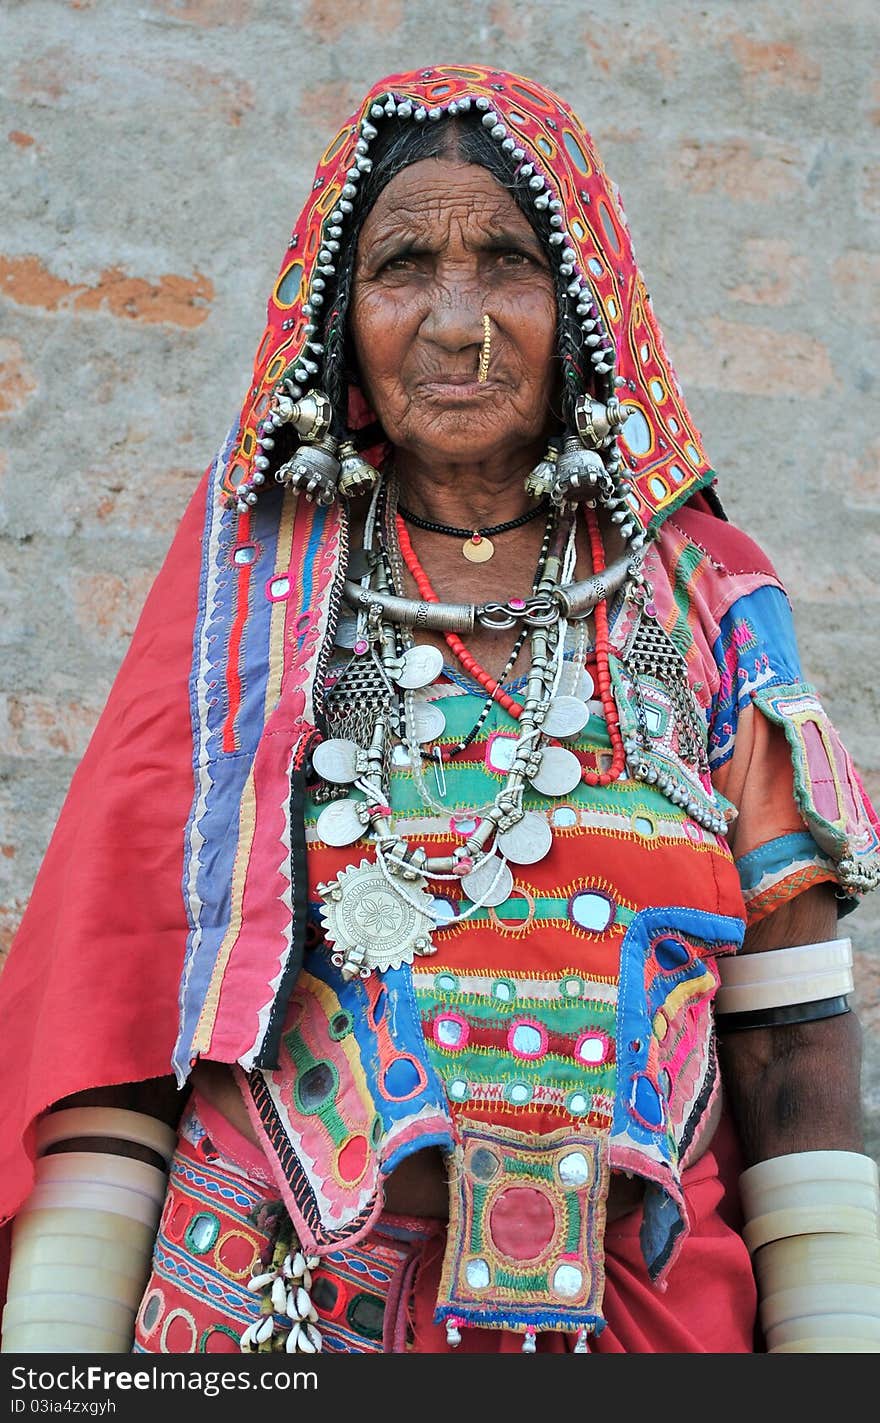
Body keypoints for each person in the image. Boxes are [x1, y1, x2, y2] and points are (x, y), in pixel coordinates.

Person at [1, 65, 878, 1357]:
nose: (454, 320)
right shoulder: (253, 576)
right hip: (272, 1316)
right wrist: (58, 1367)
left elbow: (792, 1041)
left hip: (632, 1319)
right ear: (339, 310)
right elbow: (126, 997)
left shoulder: (705, 596)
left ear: (583, 301)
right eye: (404, 264)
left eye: (508, 263)